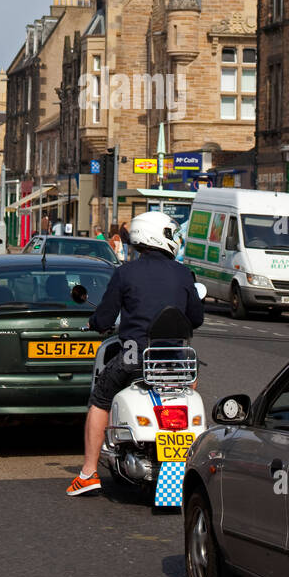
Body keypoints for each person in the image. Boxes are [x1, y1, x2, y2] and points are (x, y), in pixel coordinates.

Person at [67, 211, 204, 496]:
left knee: (100, 399)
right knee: (189, 388)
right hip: (177, 360)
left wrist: (94, 323)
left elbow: (105, 319)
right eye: (171, 234)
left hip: (134, 357)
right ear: (158, 236)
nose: (174, 239)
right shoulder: (182, 273)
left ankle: (89, 471)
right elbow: (196, 318)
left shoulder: (125, 272)